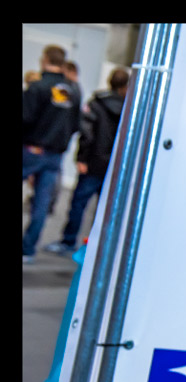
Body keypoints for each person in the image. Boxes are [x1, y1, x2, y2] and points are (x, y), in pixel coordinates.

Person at [44, 67, 129, 255]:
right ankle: (96, 245)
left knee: (78, 204)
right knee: (105, 209)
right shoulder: (130, 109)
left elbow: (87, 134)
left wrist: (82, 158)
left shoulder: (97, 104)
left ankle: (68, 241)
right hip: (114, 166)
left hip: (93, 163)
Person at [23, 44, 80, 263]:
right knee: (41, 203)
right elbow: (75, 125)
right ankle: (28, 250)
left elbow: (25, 119)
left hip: (32, 150)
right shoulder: (72, 92)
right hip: (55, 155)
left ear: (45, 59)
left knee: (40, 203)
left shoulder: (38, 87)